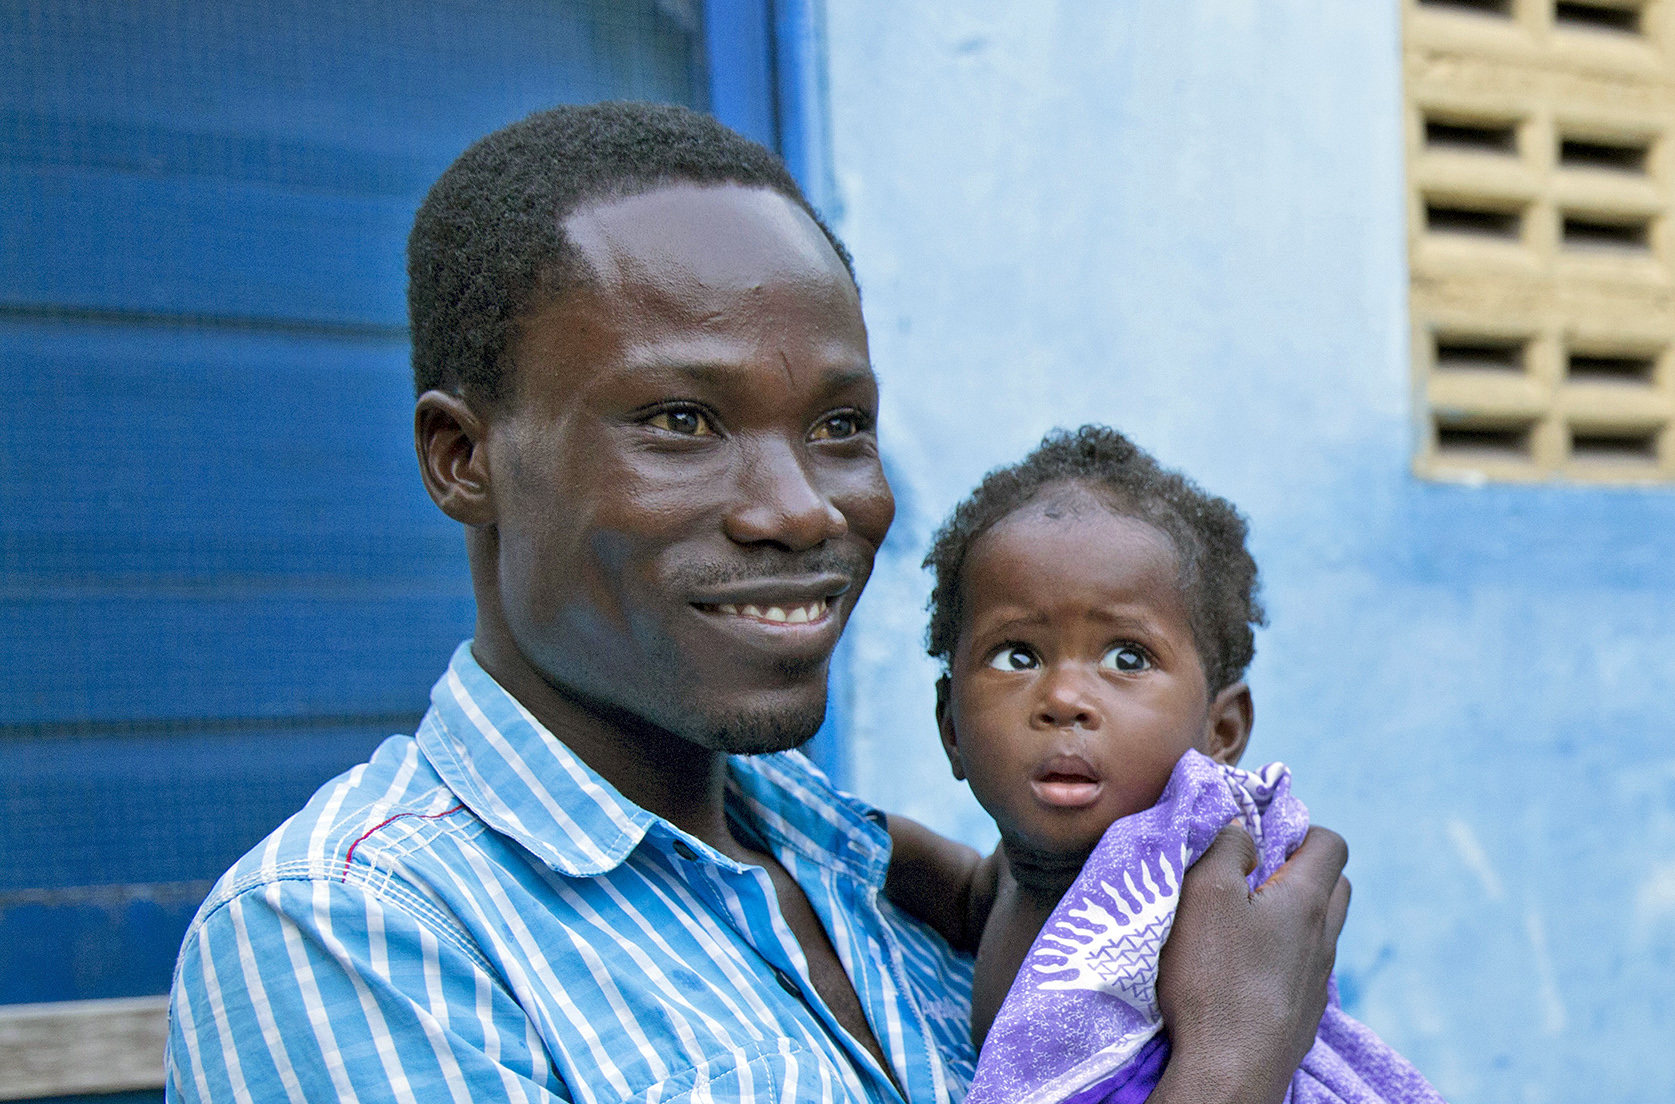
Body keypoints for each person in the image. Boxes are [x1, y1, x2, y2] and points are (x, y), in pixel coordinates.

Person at [165, 101, 1349, 1104]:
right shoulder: (355, 937)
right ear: (462, 458)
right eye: (681, 421)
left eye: (839, 426)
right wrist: (1233, 1064)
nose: (800, 510)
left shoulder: (835, 851)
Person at [891, 426, 1436, 1103]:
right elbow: (959, 886)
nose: (1064, 698)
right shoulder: (1015, 879)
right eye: (1017, 656)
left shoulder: (1186, 899)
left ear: (1221, 731)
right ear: (951, 730)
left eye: (1127, 658)